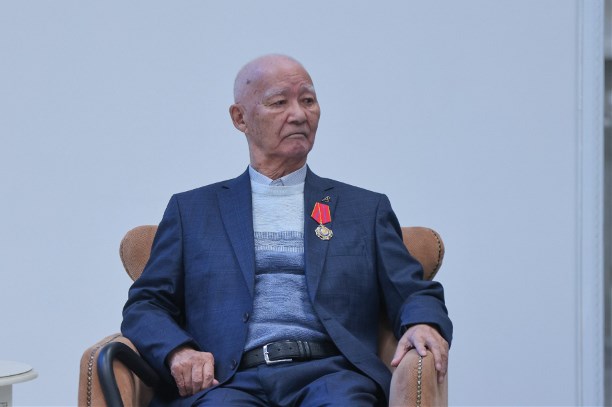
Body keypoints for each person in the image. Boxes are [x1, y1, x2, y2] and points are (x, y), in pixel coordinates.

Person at [121, 54, 452, 407]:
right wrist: (178, 351)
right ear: (240, 118)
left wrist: (422, 323)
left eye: (307, 100)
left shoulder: (364, 210)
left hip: (331, 376)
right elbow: (146, 304)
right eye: (279, 102)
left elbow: (413, 291)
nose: (298, 114)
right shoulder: (193, 211)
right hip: (228, 382)